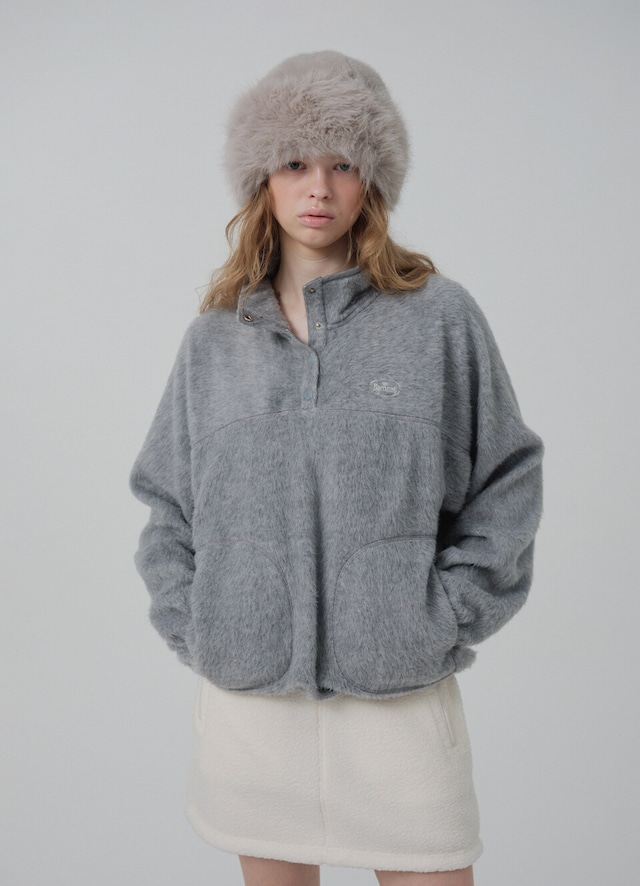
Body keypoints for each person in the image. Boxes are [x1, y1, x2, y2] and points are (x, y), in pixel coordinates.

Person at [130, 51, 544, 886]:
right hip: (252, 707)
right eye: (294, 162)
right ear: (262, 179)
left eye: (343, 164)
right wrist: (200, 619)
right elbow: (167, 503)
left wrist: (438, 616)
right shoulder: (215, 340)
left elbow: (507, 478)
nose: (318, 187)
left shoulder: (438, 318)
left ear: (371, 181)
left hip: (398, 701)